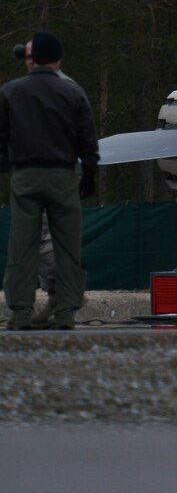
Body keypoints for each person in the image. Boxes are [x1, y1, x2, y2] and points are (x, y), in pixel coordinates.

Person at [0, 32, 97, 330]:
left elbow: (2, 136)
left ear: (32, 58)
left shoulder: (10, 91)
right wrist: (90, 173)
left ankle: (20, 312)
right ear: (57, 59)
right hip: (63, 175)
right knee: (67, 247)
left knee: (22, 246)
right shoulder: (73, 91)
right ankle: (66, 311)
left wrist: (7, 167)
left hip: (26, 174)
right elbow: (87, 138)